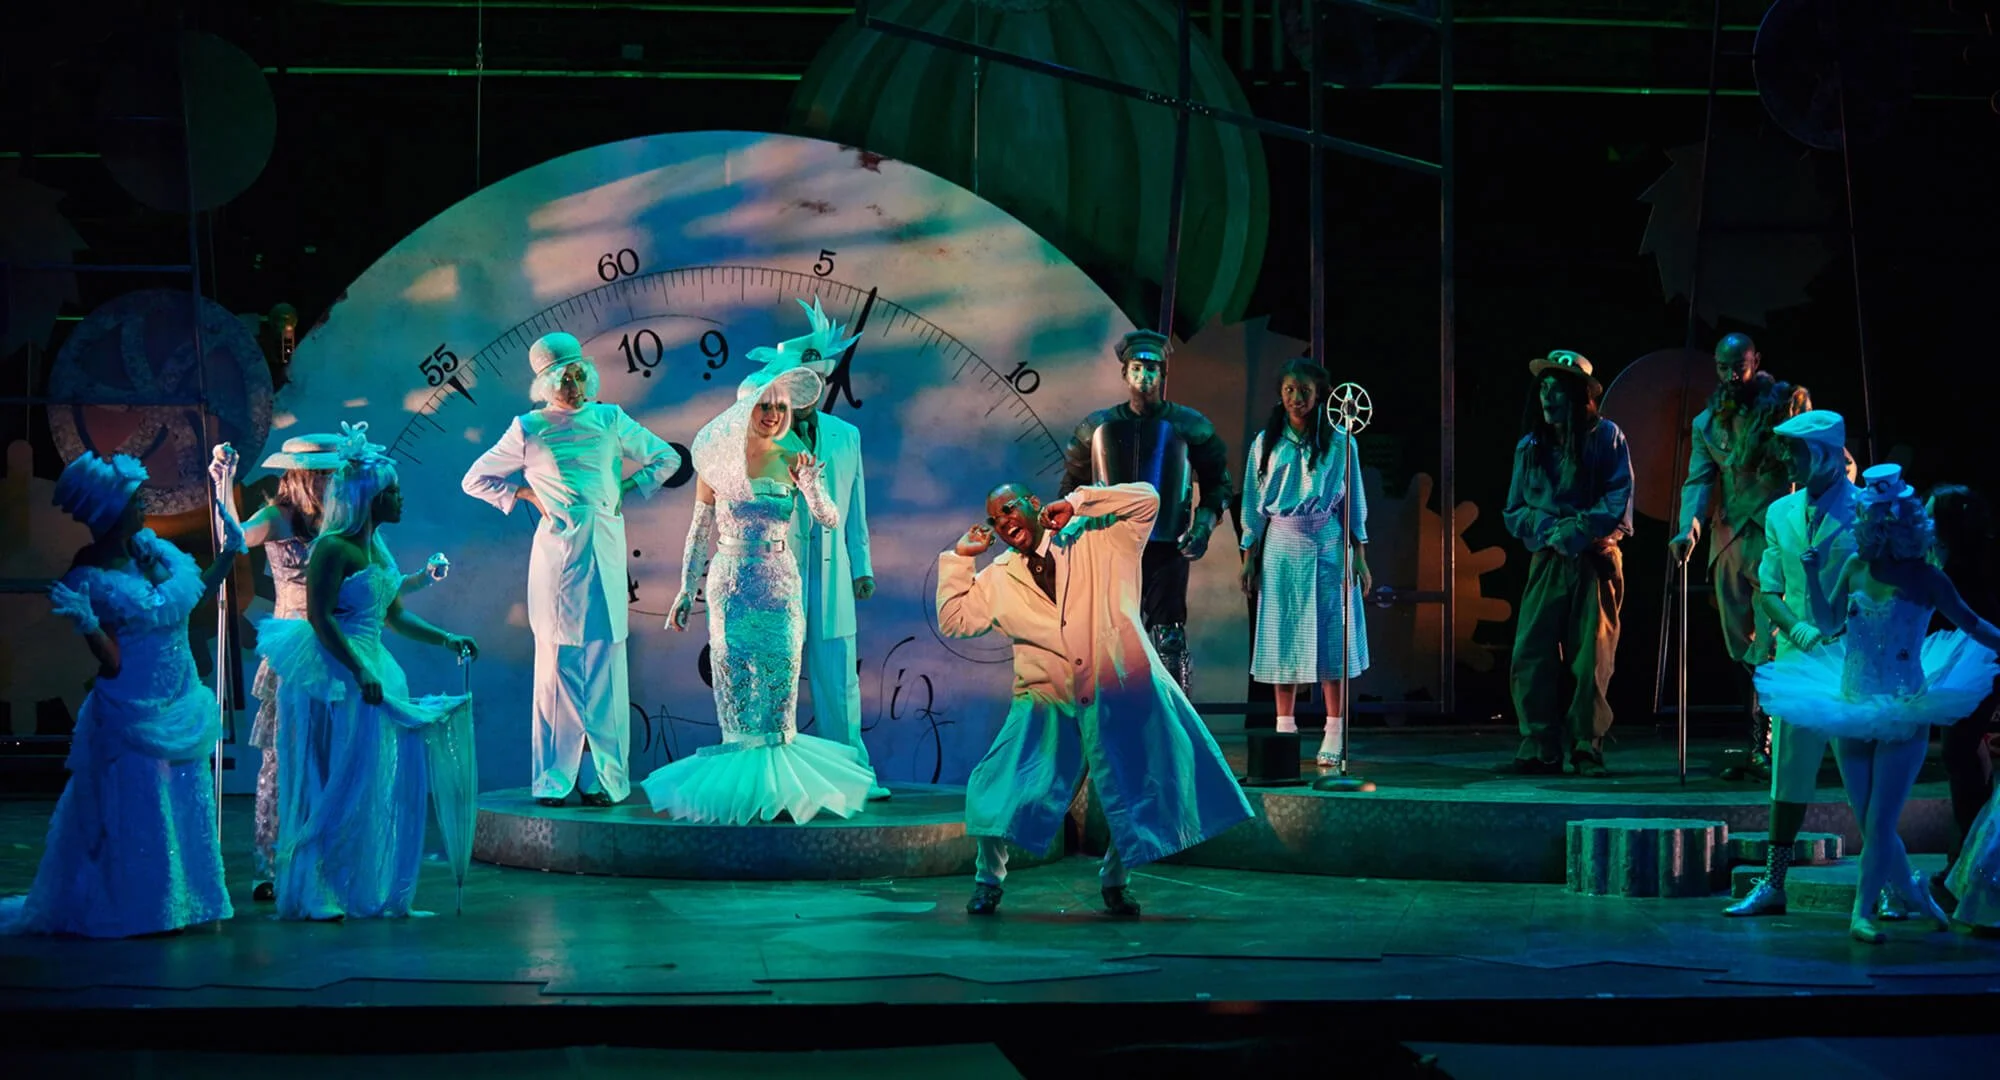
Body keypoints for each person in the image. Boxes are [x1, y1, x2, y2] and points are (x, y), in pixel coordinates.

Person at [938, 480, 1254, 916]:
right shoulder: (998, 578)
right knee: (999, 786)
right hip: (1047, 699)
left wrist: (1077, 503)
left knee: (1135, 786)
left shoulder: (1098, 536)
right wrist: (959, 559)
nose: (1005, 522)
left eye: (1010, 509)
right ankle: (988, 879)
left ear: (1033, 504)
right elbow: (954, 620)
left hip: (1118, 687)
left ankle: (1116, 882)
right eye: (995, 519)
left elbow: (1148, 499)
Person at [1754, 464, 2000, 943]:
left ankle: (1861, 913)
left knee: (1881, 821)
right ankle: (1912, 891)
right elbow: (1826, 625)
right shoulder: (1855, 567)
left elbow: (1973, 624)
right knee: (1870, 818)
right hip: (1850, 701)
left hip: (1904, 706)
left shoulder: (1928, 578)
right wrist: (1808, 571)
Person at [1, 452, 241, 937]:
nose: (142, 508)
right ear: (110, 513)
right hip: (134, 704)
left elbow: (188, 601)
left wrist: (230, 553)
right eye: (135, 502)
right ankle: (143, 906)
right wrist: (89, 625)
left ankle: (189, 901)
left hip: (179, 694)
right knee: (142, 802)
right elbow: (111, 660)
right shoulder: (90, 573)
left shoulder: (151, 551)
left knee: (184, 799)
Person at [257, 424, 480, 920]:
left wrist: (447, 639)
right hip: (333, 673)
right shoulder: (333, 548)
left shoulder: (377, 549)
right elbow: (319, 618)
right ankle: (312, 886)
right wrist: (358, 671)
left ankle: (359, 884)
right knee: (330, 778)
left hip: (372, 665)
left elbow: (394, 615)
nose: (400, 500)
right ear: (370, 497)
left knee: (371, 781)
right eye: (393, 492)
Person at [215, 434, 449, 903]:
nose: (332, 481)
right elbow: (235, 540)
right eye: (323, 474)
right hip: (297, 651)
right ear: (303, 477)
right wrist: (221, 486)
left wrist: (421, 580)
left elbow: (375, 595)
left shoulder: (351, 526)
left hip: (342, 650)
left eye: (335, 474)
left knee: (335, 756)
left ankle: (327, 860)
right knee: (285, 759)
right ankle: (273, 862)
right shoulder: (280, 517)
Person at [643, 366, 875, 824]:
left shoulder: (796, 454)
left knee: (777, 697)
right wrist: (686, 589)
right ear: (744, 410)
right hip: (731, 585)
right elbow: (698, 530)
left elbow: (829, 517)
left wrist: (810, 485)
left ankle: (774, 796)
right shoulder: (716, 459)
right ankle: (741, 796)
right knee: (737, 695)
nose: (772, 414)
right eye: (763, 406)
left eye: (780, 407)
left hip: (780, 585)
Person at [462, 332, 680, 808]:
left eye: (580, 375)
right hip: (558, 554)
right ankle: (553, 781)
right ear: (545, 383)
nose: (574, 385)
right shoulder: (529, 427)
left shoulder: (609, 418)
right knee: (558, 666)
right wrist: (525, 494)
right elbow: (474, 478)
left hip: (604, 545)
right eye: (564, 379)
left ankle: (605, 778)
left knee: (605, 661)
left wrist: (630, 483)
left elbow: (667, 457)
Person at [749, 298, 889, 800]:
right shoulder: (765, 434)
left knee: (838, 677)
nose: (811, 388)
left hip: (831, 572)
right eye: (801, 378)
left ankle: (854, 771)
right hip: (779, 570)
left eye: (817, 378)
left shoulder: (845, 436)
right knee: (776, 676)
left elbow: (856, 509)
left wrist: (862, 566)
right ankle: (774, 775)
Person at [1725, 411, 1859, 917]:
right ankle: (1773, 882)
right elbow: (1771, 587)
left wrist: (1843, 629)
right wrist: (1796, 627)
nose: (1786, 460)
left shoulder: (1864, 510)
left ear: (1823, 455)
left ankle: (1884, 884)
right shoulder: (1781, 512)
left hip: (1850, 662)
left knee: (1860, 777)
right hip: (1799, 660)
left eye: (1795, 451)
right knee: (1787, 773)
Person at [1670, 334, 1813, 780]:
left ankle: (1767, 745)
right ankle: (1758, 743)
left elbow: (1813, 462)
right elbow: (1697, 481)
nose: (1732, 375)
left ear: (1756, 362)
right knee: (1743, 646)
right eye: (1723, 367)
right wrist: (1687, 528)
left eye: (1740, 365)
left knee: (1771, 643)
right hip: (1731, 540)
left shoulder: (1785, 406)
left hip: (1776, 540)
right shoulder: (1708, 423)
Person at [1059, 329, 1232, 690]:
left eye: (1152, 369)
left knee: (1168, 635)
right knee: (1108, 635)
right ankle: (1111, 721)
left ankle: (1174, 722)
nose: (1144, 376)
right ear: (1125, 373)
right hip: (1110, 545)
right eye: (1137, 368)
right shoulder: (1097, 427)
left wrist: (1202, 525)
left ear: (1162, 374)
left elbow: (1219, 483)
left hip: (1167, 544)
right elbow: (1072, 488)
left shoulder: (1189, 425)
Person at [1498, 351, 1634, 777]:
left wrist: (1578, 530)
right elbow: (1514, 509)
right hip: (1547, 558)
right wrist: (1547, 528)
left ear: (1579, 396)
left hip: (1593, 558)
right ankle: (1539, 742)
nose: (1548, 395)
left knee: (1590, 655)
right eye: (1544, 387)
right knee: (1531, 650)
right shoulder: (1531, 447)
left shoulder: (1608, 437)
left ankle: (1585, 743)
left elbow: (1618, 498)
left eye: (1558, 388)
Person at [1238, 358, 1372, 768]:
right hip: (1281, 543)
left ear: (1319, 395)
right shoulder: (1265, 443)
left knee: (1332, 632)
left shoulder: (1340, 441)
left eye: (1305, 391)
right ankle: (1285, 727)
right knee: (1284, 634)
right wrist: (1249, 556)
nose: (1297, 398)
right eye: (1290, 390)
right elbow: (1252, 504)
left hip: (1328, 541)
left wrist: (1361, 555)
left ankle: (1334, 729)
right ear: (1280, 394)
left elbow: (1354, 503)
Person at [1926, 484, 2000, 898]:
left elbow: (1977, 622)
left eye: (1930, 511)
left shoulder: (1961, 570)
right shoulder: (1945, 563)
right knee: (1962, 758)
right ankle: (1964, 863)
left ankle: (1964, 866)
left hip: (1978, 663)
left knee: (1962, 757)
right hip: (1961, 663)